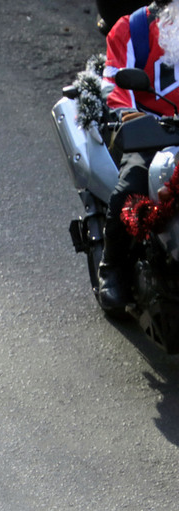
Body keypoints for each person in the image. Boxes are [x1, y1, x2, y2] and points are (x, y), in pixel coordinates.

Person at [99, 0, 179, 309]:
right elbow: (113, 84)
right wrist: (131, 114)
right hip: (151, 130)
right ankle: (112, 268)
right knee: (129, 186)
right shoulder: (132, 28)